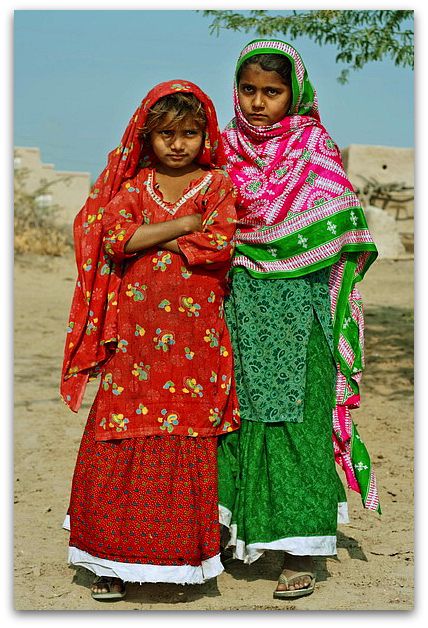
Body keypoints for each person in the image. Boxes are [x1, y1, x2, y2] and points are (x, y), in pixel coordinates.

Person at [60, 80, 240, 600]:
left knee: (185, 441)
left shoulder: (219, 184)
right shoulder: (134, 187)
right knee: (120, 435)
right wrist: (185, 222)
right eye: (166, 134)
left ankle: (175, 566)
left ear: (204, 134)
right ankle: (108, 562)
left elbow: (218, 243)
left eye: (188, 132)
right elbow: (115, 237)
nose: (177, 144)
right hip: (134, 347)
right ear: (148, 136)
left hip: (196, 345)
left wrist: (154, 235)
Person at [218, 39, 381, 600]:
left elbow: (346, 235)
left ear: (295, 94)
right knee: (238, 421)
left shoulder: (314, 149)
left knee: (298, 424)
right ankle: (237, 534)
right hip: (239, 311)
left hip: (301, 319)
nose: (259, 103)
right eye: (249, 90)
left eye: (272, 91)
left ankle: (299, 551)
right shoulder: (220, 150)